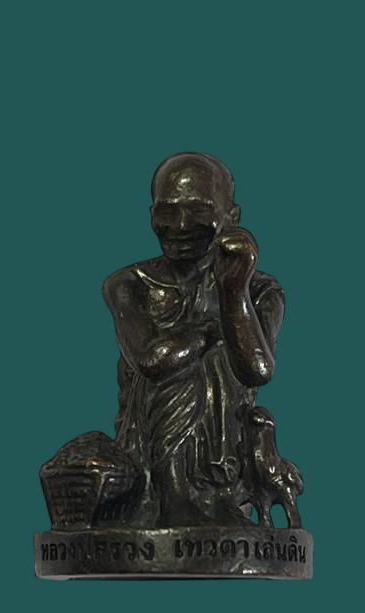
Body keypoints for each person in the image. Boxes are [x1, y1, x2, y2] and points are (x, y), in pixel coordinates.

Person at [103, 153, 285, 527]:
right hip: (148, 444)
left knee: (214, 358)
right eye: (167, 213)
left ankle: (217, 494)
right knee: (185, 360)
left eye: (199, 211)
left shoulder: (260, 291)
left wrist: (233, 291)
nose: (181, 226)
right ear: (151, 215)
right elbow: (152, 361)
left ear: (231, 218)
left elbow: (257, 370)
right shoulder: (129, 284)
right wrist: (210, 331)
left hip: (228, 445)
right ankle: (173, 495)